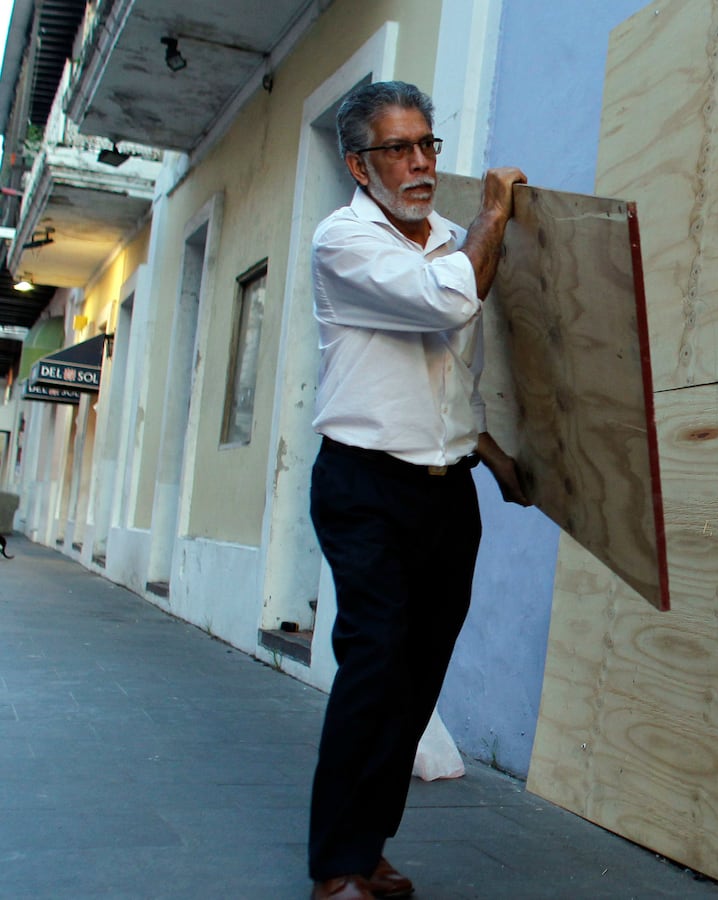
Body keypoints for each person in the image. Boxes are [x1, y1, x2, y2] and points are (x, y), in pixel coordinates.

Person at [305, 80, 531, 900]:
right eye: (399, 149)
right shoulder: (345, 240)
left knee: (418, 675)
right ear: (358, 165)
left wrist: (493, 453)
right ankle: (336, 868)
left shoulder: (446, 235)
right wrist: (496, 217)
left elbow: (455, 368)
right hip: (364, 485)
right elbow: (445, 308)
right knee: (373, 666)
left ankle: (369, 848)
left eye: (428, 145)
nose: (420, 164)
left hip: (445, 490)